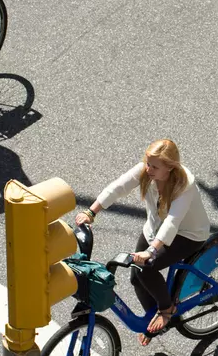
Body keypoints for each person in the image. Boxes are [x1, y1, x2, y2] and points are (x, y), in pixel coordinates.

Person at [75, 139, 209, 345]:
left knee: (147, 269)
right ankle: (152, 316)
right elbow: (118, 187)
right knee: (136, 278)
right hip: (154, 231)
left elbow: (172, 222)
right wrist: (91, 212)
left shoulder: (185, 185)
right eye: (147, 163)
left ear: (170, 167)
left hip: (187, 234)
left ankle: (166, 309)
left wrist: (151, 252)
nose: (148, 169)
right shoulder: (147, 171)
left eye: (154, 166)